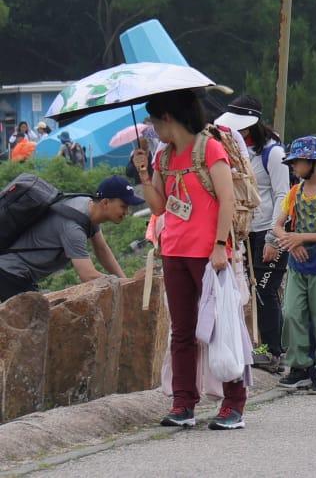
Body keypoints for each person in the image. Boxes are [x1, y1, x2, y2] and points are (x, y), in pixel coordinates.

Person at [131, 90, 248, 430]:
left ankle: (234, 403)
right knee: (182, 331)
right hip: (174, 251)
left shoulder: (209, 148)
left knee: (220, 327)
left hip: (210, 254)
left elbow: (227, 200)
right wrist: (142, 173)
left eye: (154, 121)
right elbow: (158, 205)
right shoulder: (163, 158)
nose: (153, 129)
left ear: (168, 117)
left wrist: (220, 245)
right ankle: (184, 403)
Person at [213, 96, 290, 373]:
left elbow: (284, 194)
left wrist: (273, 237)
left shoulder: (274, 153)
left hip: (271, 231)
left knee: (265, 291)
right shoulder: (240, 153)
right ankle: (261, 347)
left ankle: (274, 352)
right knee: (251, 290)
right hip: (247, 232)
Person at [268, 136, 316, 395]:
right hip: (297, 267)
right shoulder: (295, 193)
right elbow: (278, 225)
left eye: (297, 162)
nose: (293, 166)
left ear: (313, 163)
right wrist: (291, 242)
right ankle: (299, 367)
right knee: (291, 314)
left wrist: (301, 237)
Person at [0, 175, 141, 301]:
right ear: (105, 203)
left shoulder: (86, 205)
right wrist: (122, 285)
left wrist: (126, 281)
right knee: (38, 323)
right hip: (11, 274)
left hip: (16, 274)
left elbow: (102, 250)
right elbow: (87, 275)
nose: (126, 212)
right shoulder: (73, 227)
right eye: (123, 206)